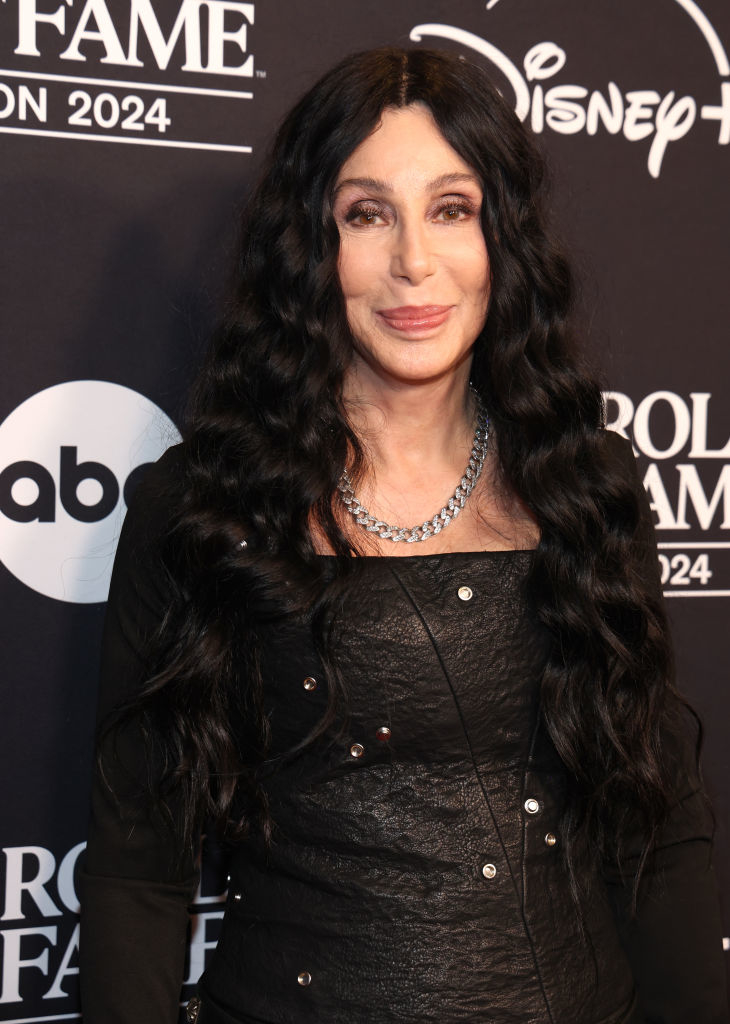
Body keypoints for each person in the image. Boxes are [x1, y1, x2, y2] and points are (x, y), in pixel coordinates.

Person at [79, 46, 729, 1024]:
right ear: (308, 242)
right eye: (367, 213)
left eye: (451, 210)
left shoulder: (587, 486)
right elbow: (139, 873)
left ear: (499, 237)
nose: (413, 264)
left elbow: (658, 831)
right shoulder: (203, 509)